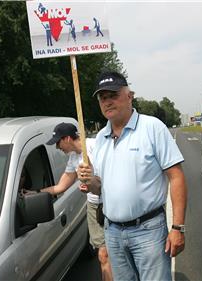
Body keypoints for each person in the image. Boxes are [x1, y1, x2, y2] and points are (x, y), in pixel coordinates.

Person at [77, 71, 187, 281]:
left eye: (113, 95)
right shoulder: (100, 138)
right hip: (113, 232)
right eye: (102, 97)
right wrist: (88, 181)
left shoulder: (152, 128)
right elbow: (100, 187)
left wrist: (178, 227)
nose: (107, 101)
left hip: (149, 230)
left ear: (129, 95)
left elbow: (176, 177)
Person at [40, 122, 113, 281]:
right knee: (103, 254)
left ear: (67, 138)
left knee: (121, 253)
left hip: (111, 203)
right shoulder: (74, 159)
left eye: (58, 143)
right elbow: (60, 187)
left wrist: (92, 180)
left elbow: (114, 174)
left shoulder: (96, 146)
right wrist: (36, 193)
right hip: (94, 207)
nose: (58, 148)